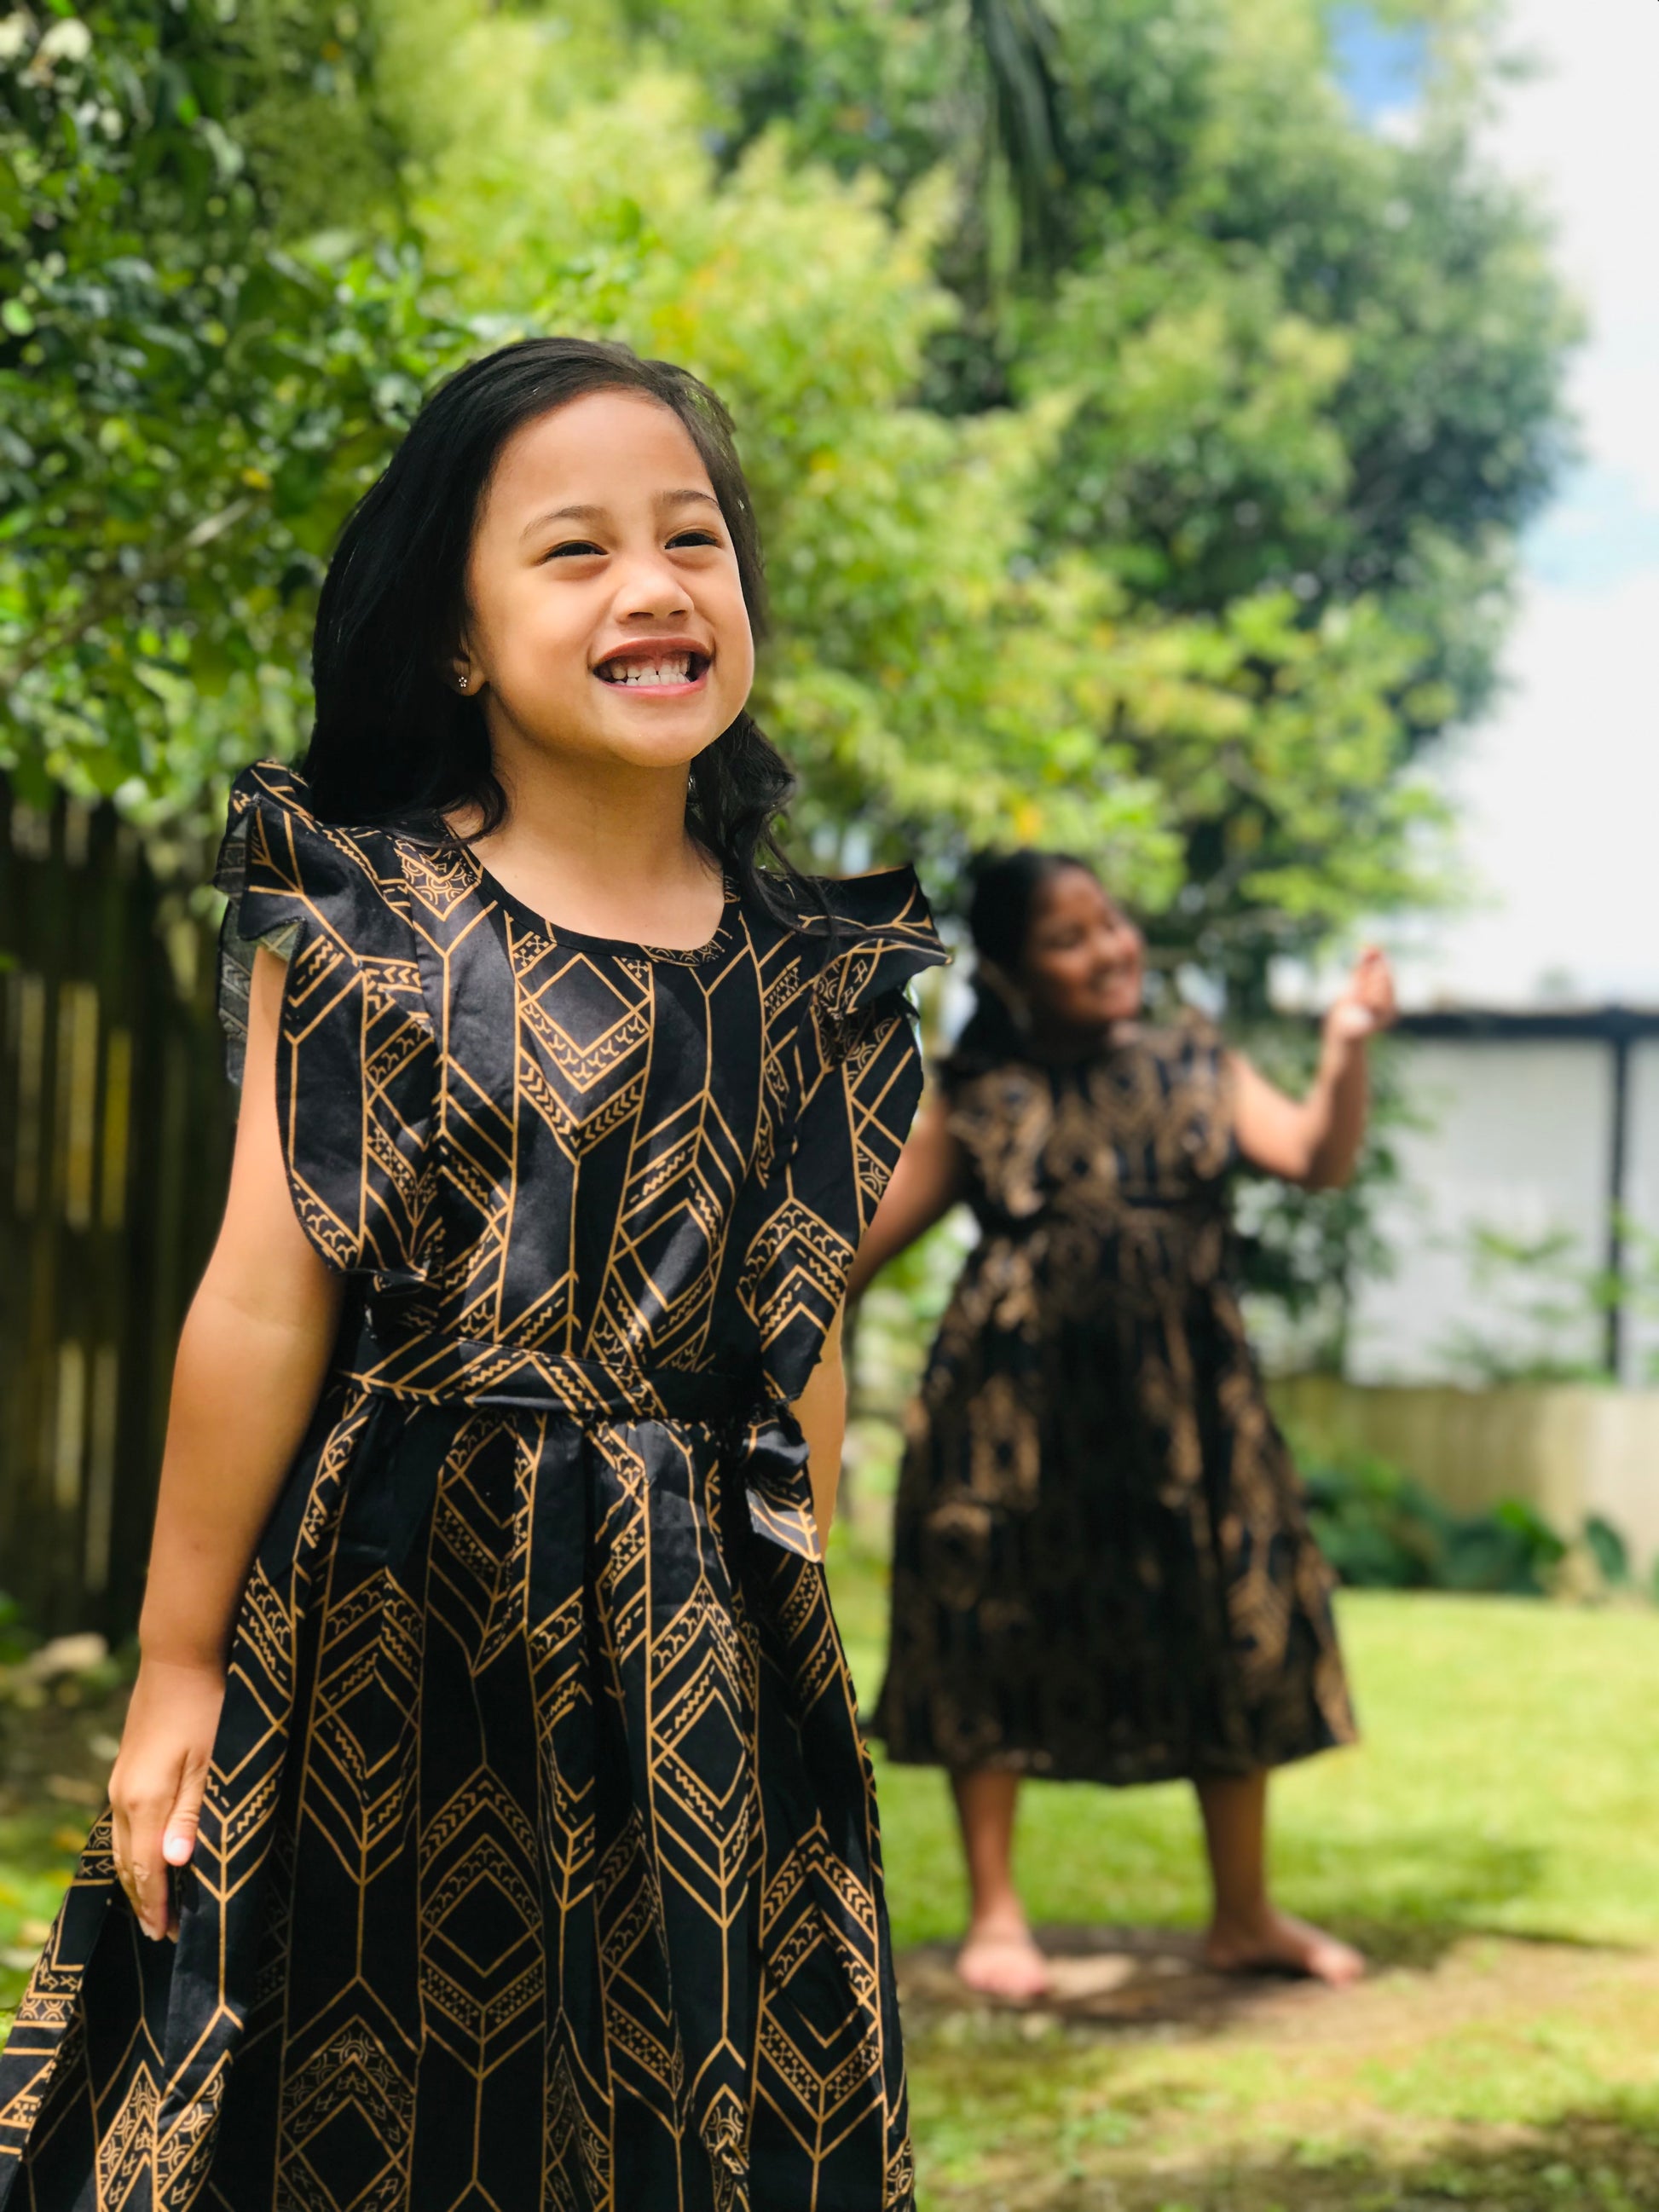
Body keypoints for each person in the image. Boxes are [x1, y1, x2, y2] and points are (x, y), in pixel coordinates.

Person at [0, 338, 945, 2210]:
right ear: (454, 637)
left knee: (669, 2072)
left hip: (691, 1624)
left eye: (692, 538)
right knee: (356, 2077)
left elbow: (800, 1325)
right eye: (574, 550)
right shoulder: (364, 921)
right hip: (390, 1597)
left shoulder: (805, 973)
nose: (653, 586)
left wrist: (796, 1607)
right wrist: (177, 1666)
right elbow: (259, 1300)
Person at [850, 848, 1395, 2001]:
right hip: (1012, 1413)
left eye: (1108, 923)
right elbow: (845, 1252)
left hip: (1188, 1409)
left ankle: (1243, 1913)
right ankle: (997, 1917)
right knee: (989, 1617)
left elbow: (1315, 1156)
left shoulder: (1196, 1062)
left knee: (1224, 1612)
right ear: (1008, 972)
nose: (1108, 950)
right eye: (1067, 938)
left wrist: (1344, 1047)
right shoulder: (977, 1091)